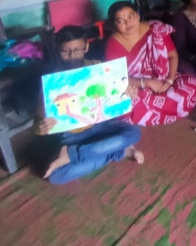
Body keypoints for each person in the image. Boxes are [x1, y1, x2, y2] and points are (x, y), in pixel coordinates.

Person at [35, 26, 143, 185]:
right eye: (66, 51)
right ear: (58, 50)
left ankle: (71, 155)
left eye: (77, 50)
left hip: (101, 126)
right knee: (56, 176)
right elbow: (38, 120)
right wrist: (42, 126)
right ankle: (118, 152)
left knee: (133, 133)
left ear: (86, 47)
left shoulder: (98, 67)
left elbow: (114, 100)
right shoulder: (52, 81)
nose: (72, 56)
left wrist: (127, 93)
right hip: (71, 136)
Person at [105, 1, 196, 126]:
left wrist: (169, 81)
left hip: (161, 78)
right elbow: (115, 78)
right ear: (114, 25)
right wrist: (147, 82)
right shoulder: (113, 44)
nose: (128, 23)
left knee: (190, 84)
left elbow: (172, 56)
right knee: (127, 103)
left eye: (130, 16)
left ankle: (151, 112)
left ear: (138, 15)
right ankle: (156, 111)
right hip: (134, 85)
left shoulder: (156, 30)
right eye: (120, 21)